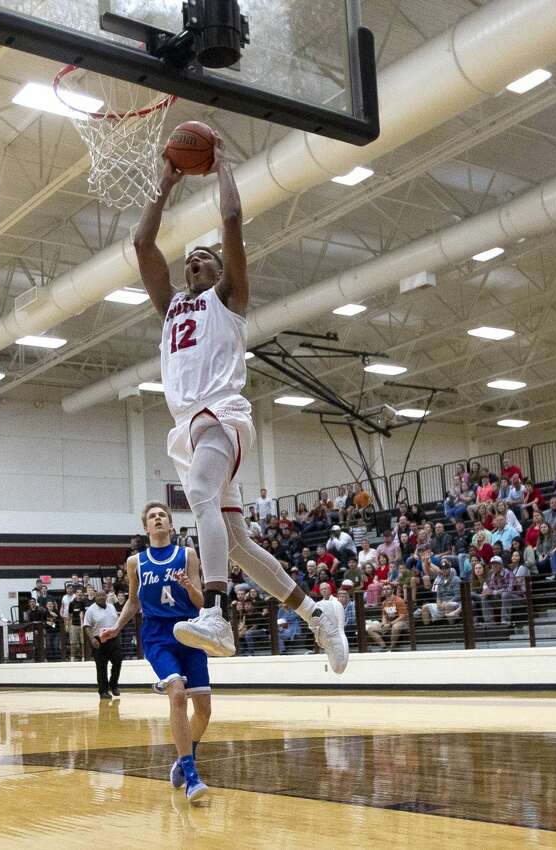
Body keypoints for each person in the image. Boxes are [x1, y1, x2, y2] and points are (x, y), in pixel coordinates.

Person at [132, 135, 347, 673]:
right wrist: (166, 182)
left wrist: (222, 163)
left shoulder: (228, 299)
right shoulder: (173, 310)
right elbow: (142, 244)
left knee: (200, 495)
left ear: (219, 270)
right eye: (190, 262)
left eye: (203, 260)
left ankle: (219, 612)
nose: (194, 265)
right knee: (235, 544)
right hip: (190, 426)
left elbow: (231, 220)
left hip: (222, 414)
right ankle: (318, 613)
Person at [99, 501, 211, 802]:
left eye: (163, 515)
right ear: (146, 527)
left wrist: (188, 586)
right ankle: (191, 776)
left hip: (189, 631)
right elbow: (134, 602)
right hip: (157, 635)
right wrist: (118, 627)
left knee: (203, 710)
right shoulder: (136, 562)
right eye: (152, 516)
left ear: (171, 525)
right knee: (177, 693)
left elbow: (200, 601)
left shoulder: (187, 555)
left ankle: (183, 756)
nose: (158, 519)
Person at [83, 590, 121, 698]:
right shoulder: (90, 610)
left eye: (103, 595)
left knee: (118, 661)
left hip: (113, 638)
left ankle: (113, 685)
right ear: (95, 597)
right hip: (98, 640)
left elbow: (117, 621)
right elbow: (87, 626)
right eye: (98, 596)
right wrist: (92, 639)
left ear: (105, 597)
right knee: (101, 667)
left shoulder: (111, 607)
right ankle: (103, 691)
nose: (101, 597)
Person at [67, 589, 89, 661]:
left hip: (83, 625)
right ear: (75, 594)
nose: (79, 594)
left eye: (80, 592)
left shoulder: (84, 602)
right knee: (73, 642)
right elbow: (70, 615)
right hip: (74, 625)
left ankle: (83, 657)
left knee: (83, 642)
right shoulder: (72, 603)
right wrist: (68, 625)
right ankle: (72, 658)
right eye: (77, 592)